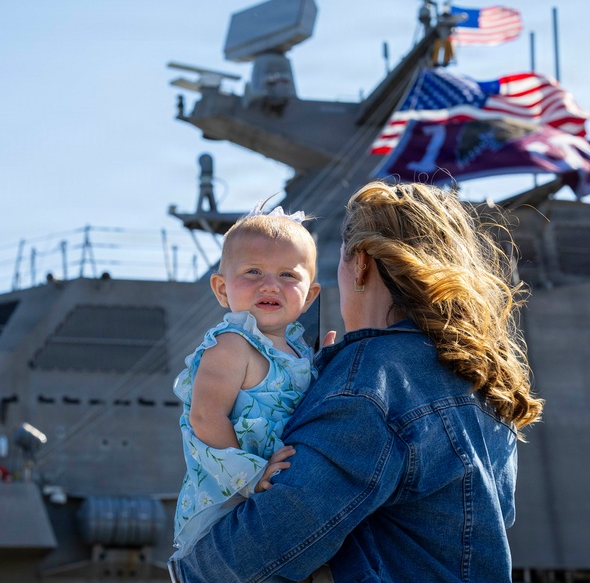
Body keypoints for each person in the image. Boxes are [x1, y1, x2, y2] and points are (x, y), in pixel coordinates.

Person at [170, 181, 544, 582]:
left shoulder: (369, 382)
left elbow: (260, 548)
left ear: (361, 265)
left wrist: (188, 569)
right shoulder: (482, 379)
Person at [171, 205, 321, 557]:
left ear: (310, 296)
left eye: (288, 275)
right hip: (229, 506)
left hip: (273, 500)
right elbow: (205, 419)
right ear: (222, 289)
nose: (270, 284)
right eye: (253, 271)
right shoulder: (231, 345)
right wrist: (252, 477)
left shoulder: (300, 353)